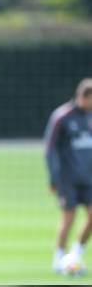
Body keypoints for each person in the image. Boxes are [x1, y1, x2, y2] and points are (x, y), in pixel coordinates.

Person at [45, 78, 92, 275]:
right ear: (83, 96)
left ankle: (75, 255)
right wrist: (54, 178)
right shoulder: (62, 116)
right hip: (68, 179)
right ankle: (59, 258)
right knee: (69, 218)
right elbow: (50, 148)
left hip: (89, 178)